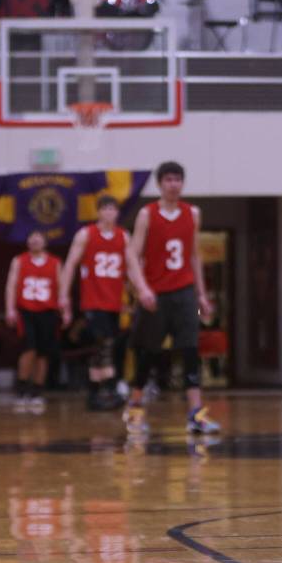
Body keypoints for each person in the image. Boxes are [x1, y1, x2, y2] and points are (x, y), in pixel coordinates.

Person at [122, 161, 220, 436]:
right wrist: (142, 289)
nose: (173, 184)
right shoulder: (147, 214)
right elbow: (131, 254)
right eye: (168, 179)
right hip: (155, 293)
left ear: (182, 183)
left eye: (178, 179)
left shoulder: (193, 213)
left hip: (184, 292)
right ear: (160, 184)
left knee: (190, 350)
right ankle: (135, 407)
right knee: (149, 352)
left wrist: (201, 294)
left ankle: (196, 415)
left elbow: (194, 256)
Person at [59, 195, 148, 411]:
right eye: (105, 208)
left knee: (105, 346)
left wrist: (142, 289)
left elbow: (132, 266)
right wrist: (63, 295)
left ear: (118, 213)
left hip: (114, 301)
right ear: (98, 212)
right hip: (93, 300)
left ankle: (95, 391)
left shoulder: (123, 236)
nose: (109, 213)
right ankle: (106, 388)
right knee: (104, 343)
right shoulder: (85, 234)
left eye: (113, 209)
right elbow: (70, 264)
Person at [5, 229, 62, 411]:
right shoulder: (19, 260)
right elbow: (11, 285)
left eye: (39, 237)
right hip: (26, 310)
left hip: (48, 311)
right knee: (29, 349)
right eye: (32, 237)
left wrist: (65, 309)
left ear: (45, 242)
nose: (35, 240)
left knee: (43, 353)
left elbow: (61, 287)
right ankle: (22, 388)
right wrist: (10, 308)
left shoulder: (55, 262)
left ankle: (37, 391)